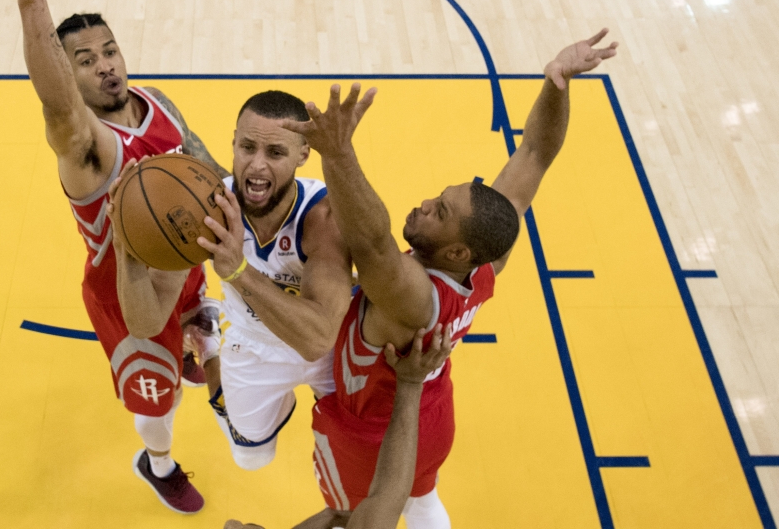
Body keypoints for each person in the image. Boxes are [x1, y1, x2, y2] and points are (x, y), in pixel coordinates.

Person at [281, 30, 619, 527]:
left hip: (373, 430)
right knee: (421, 493)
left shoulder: (413, 298)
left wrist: (338, 154)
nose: (422, 205)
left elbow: (372, 242)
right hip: (432, 409)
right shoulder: (485, 261)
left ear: (456, 249)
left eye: (438, 211)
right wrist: (557, 83)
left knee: (348, 514)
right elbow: (534, 156)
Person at [0, 0, 227, 514]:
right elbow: (58, 103)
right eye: (85, 62)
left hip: (181, 260)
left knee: (200, 331)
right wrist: (32, 0)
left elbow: (206, 170)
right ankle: (157, 462)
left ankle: (194, 337)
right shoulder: (85, 145)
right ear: (67, 71)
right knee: (159, 403)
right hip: (125, 289)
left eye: (109, 51)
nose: (107, 68)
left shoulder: (157, 101)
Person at [189, 91, 353, 470]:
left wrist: (237, 272)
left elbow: (317, 339)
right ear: (233, 142)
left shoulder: (324, 216)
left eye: (275, 153)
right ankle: (210, 348)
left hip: (330, 344)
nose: (257, 165)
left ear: (303, 154)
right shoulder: (207, 202)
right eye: (247, 147)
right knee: (250, 459)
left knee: (357, 450)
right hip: (253, 340)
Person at [222, 325, 452, 529]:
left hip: (415, 413)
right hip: (409, 414)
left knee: (423, 497)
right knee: (422, 496)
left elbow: (341, 515)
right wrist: (410, 383)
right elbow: (386, 495)